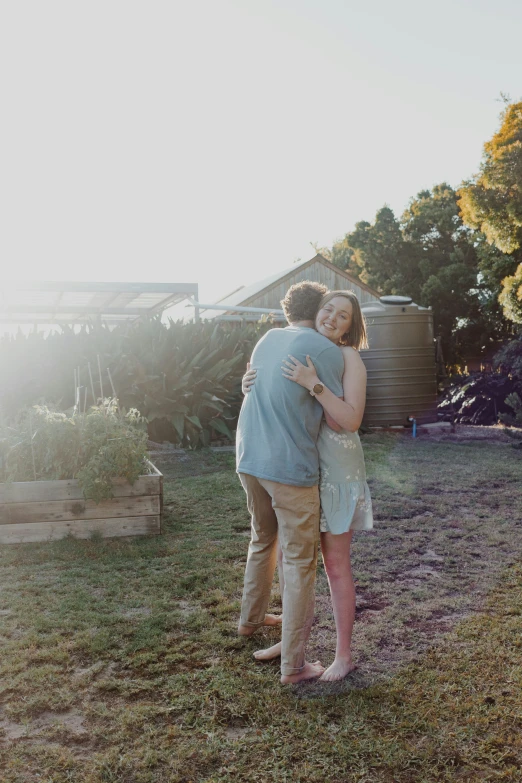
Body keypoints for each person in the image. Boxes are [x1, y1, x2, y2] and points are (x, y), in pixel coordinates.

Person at [243, 290, 373, 681]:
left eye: (344, 316)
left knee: (334, 566)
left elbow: (348, 420)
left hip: (335, 471)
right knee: (290, 558)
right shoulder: (309, 349)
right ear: (316, 313)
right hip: (305, 467)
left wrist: (313, 383)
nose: (333, 318)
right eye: (328, 309)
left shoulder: (347, 357)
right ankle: (291, 639)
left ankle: (343, 655)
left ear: (352, 326)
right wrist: (252, 382)